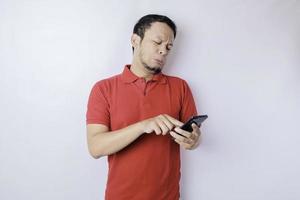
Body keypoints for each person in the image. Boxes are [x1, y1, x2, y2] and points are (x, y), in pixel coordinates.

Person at [86, 14, 202, 200]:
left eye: (168, 47)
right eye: (157, 42)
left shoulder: (180, 87)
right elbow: (95, 148)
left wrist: (193, 140)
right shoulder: (103, 89)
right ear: (135, 40)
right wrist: (143, 126)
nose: (163, 51)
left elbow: (193, 139)